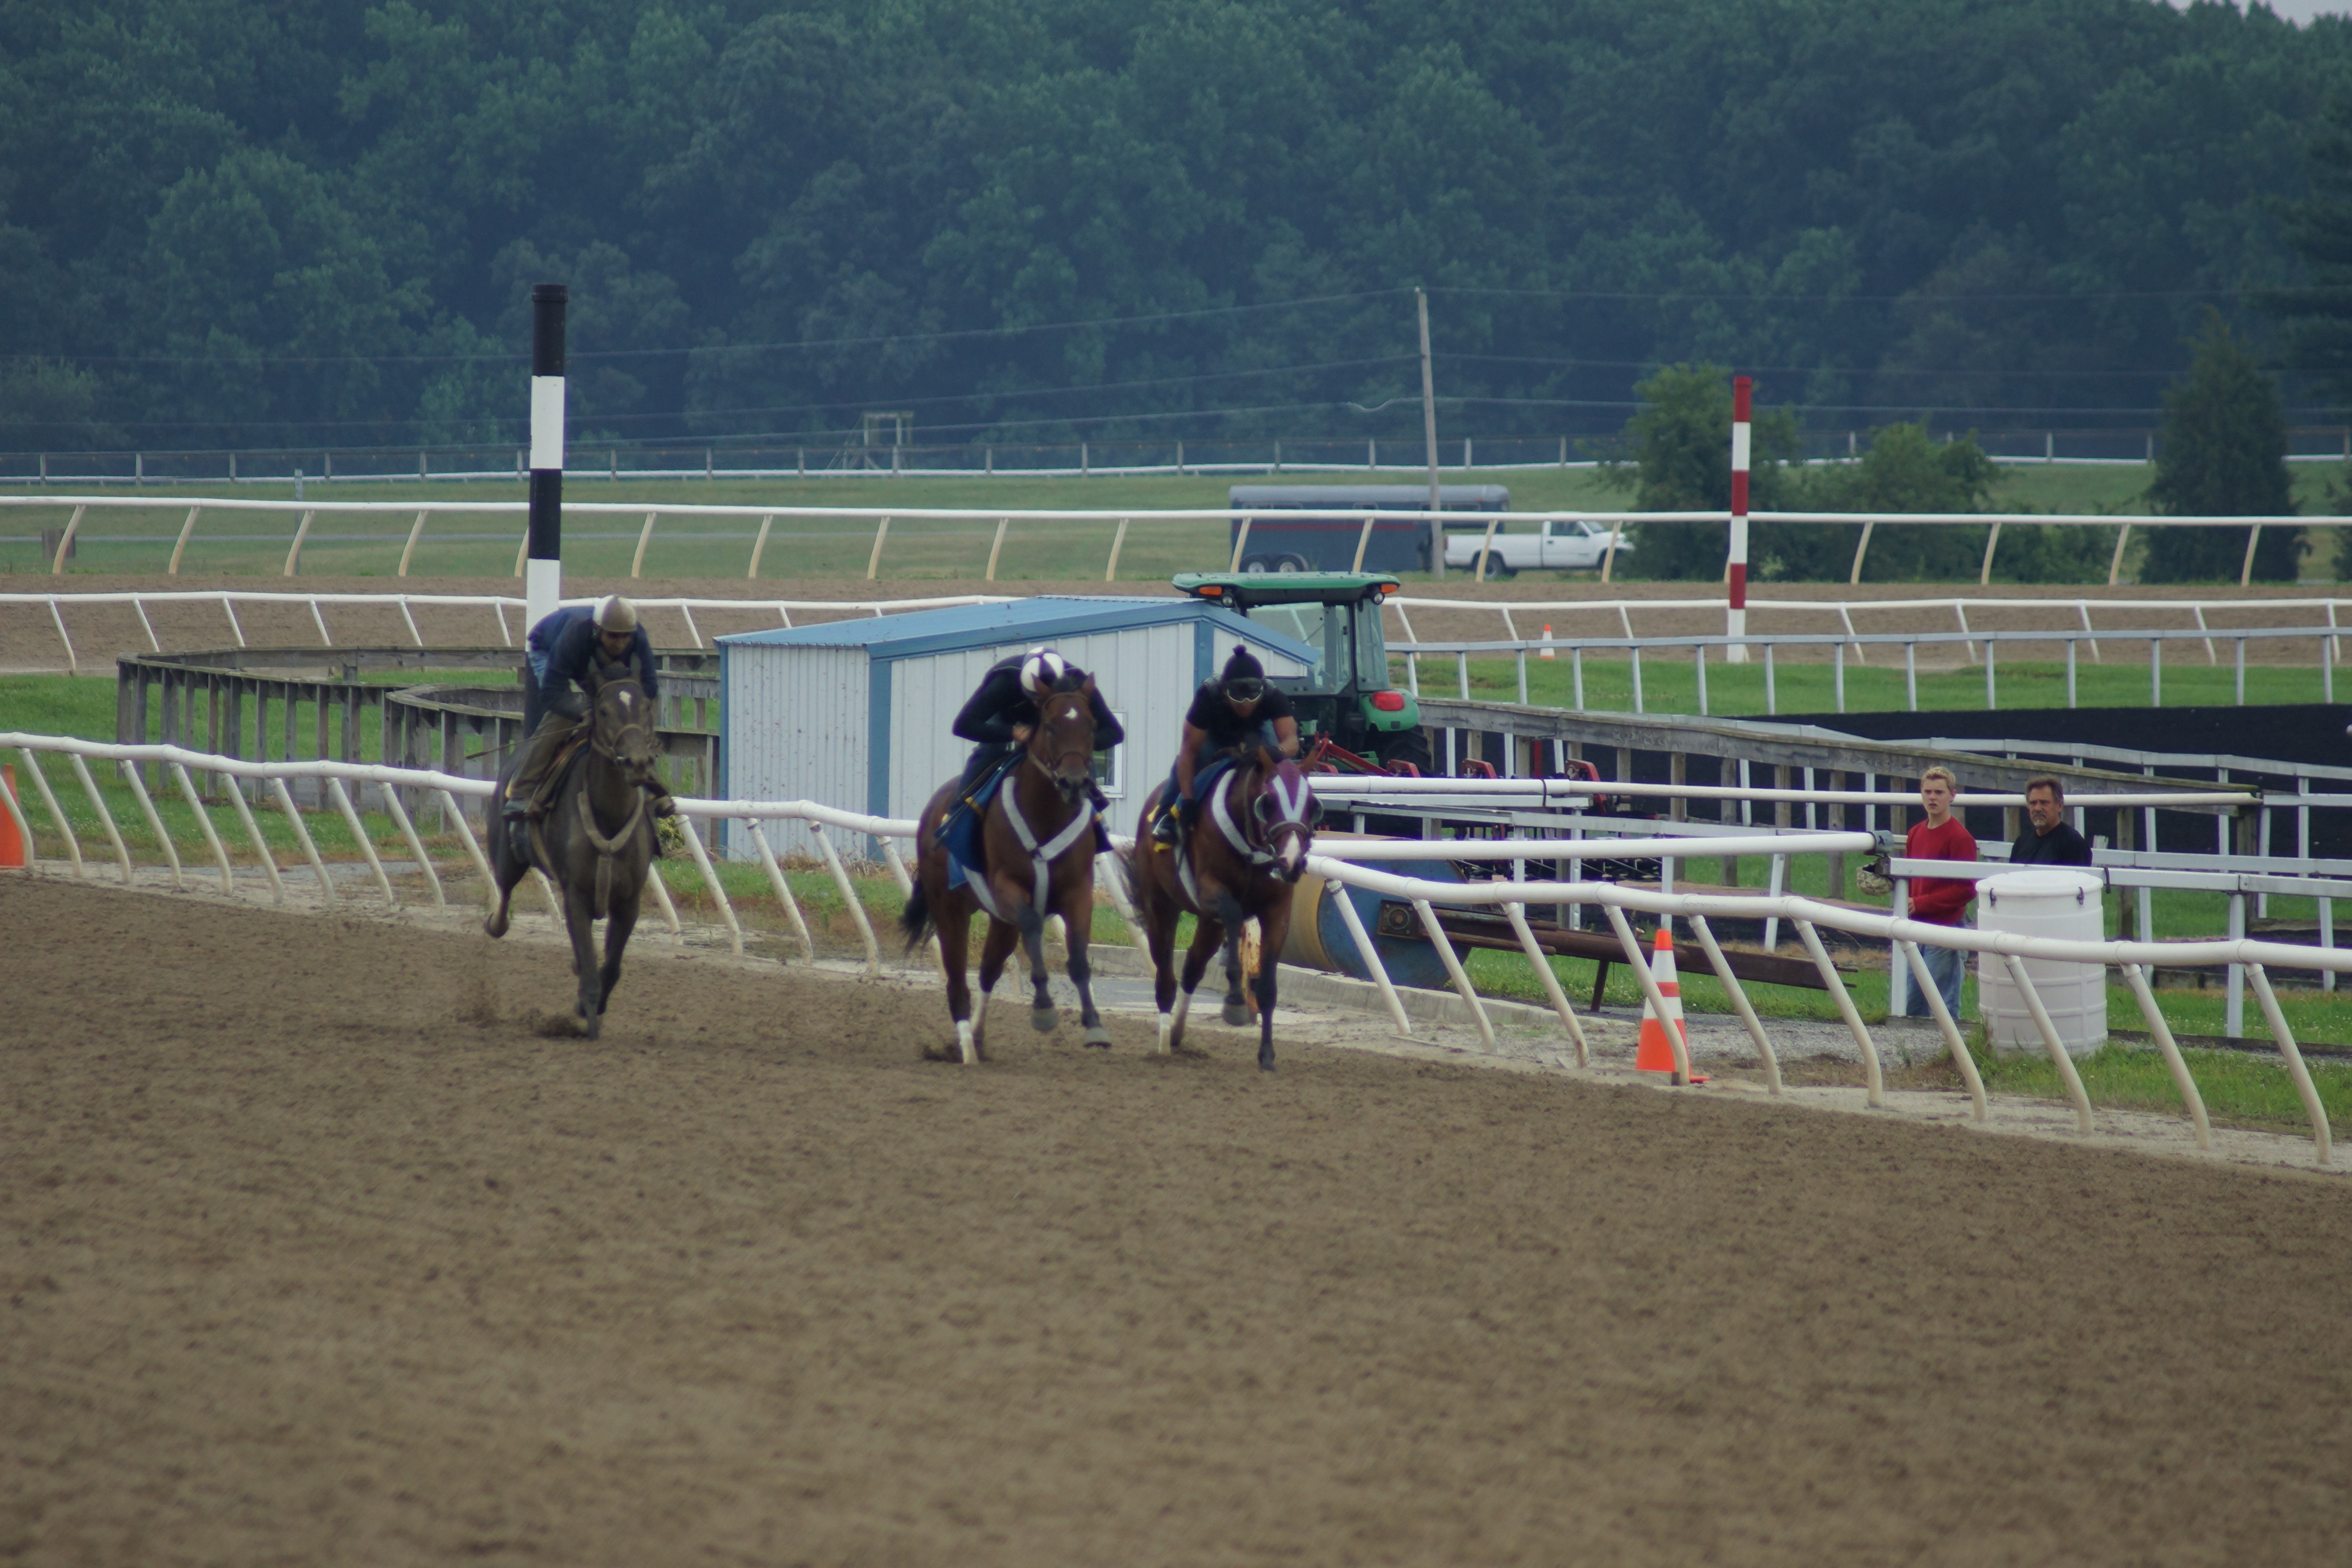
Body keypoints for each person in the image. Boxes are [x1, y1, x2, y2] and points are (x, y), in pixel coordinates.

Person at [942, 648, 1122, 853]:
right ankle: (956, 813)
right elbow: (963, 725)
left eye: (1041, 700)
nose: (1036, 705)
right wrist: (1011, 732)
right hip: (1009, 719)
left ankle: (1095, 817)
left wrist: (1077, 742)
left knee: (1077, 756)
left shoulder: (1077, 684)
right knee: (990, 751)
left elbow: (1115, 732)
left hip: (1059, 721)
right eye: (1034, 699)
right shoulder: (1004, 683)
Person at [504, 594, 667, 821]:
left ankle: (652, 784)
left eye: (625, 637)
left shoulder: (638, 636)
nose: (620, 644)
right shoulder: (576, 635)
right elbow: (551, 694)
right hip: (548, 650)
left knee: (631, 715)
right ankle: (522, 790)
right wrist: (583, 713)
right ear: (598, 631)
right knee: (561, 718)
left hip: (590, 658)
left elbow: (650, 688)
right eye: (613, 636)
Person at [1152, 645, 1300, 846]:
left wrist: (1276, 752)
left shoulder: (1274, 696)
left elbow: (1292, 742)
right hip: (1215, 736)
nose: (1246, 703)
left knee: (1278, 763)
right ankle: (1166, 815)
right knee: (1195, 760)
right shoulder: (1208, 696)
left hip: (1255, 733)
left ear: (1263, 688)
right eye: (1238, 695)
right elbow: (1189, 752)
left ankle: (1289, 818)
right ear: (1223, 690)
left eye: (1253, 694)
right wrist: (1188, 800)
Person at [1903, 765, 1978, 1019]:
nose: (1933, 798)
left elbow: (1967, 888)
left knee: (1942, 1003)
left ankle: (1950, 1044)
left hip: (1946, 928)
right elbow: (1910, 877)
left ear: (1952, 796)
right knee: (1913, 1001)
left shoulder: (1960, 837)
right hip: (1916, 928)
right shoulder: (1915, 833)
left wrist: (1922, 903)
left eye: (1939, 792)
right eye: (1928, 792)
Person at [2008, 776, 2094, 867]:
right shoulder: (2021, 842)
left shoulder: (2074, 844)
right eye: (2033, 803)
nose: (2038, 808)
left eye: (2044, 803)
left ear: (2059, 806)